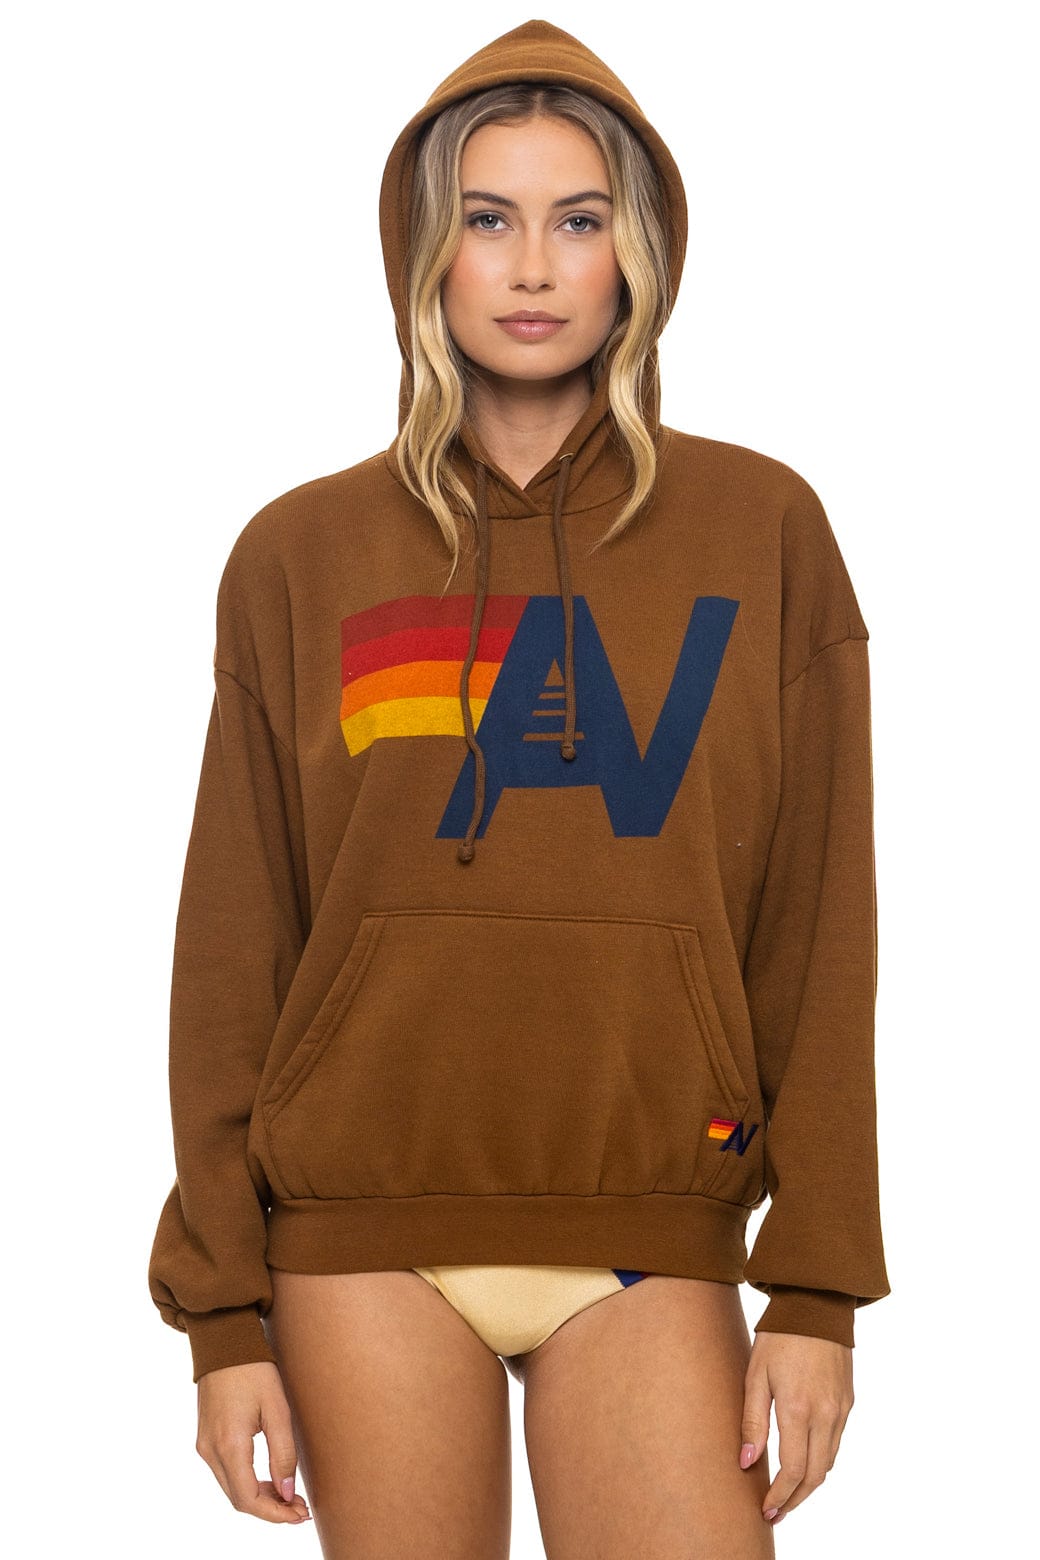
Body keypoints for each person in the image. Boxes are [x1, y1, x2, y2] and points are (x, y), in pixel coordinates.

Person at [148, 18, 891, 1557]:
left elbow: (821, 928)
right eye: (489, 219)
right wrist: (222, 1316)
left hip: (650, 1224)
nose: (534, 267)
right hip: (361, 1227)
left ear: (640, 254)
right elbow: (233, 944)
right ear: (426, 250)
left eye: (580, 219)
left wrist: (816, 1287)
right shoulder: (300, 553)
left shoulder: (762, 530)